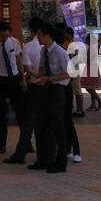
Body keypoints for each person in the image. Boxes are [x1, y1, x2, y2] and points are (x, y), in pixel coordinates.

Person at [5, 18, 47, 164]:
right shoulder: (50, 45)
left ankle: (23, 151)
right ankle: (43, 153)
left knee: (28, 120)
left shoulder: (29, 47)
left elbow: (28, 68)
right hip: (48, 87)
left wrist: (36, 77)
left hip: (35, 87)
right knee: (43, 122)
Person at [33, 23, 71, 173]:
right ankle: (45, 159)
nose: (37, 38)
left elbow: (69, 74)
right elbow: (42, 69)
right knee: (44, 125)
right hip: (46, 89)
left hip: (58, 89)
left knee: (58, 126)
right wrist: (37, 75)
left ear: (47, 36)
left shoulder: (60, 52)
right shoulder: (44, 51)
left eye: (39, 35)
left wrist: (50, 78)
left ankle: (61, 162)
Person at [0, 22, 25, 155]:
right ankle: (1, 144)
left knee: (20, 111)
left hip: (14, 79)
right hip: (0, 81)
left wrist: (23, 78)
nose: (5, 38)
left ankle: (26, 141)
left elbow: (19, 59)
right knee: (1, 113)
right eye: (2, 36)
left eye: (7, 35)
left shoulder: (14, 42)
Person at [58, 25, 83, 164]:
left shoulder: (72, 45)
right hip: (65, 80)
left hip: (72, 75)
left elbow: (74, 61)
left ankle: (80, 109)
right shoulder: (62, 45)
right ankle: (67, 149)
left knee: (77, 90)